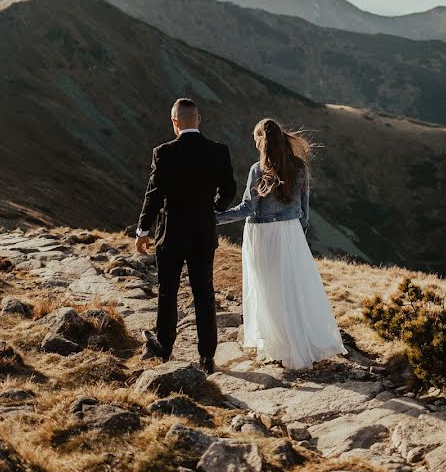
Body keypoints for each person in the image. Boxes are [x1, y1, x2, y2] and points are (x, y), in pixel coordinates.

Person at [216, 118, 346, 370]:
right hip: (291, 233)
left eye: (256, 138)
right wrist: (296, 235)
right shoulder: (300, 168)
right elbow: (305, 211)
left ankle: (276, 344)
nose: (254, 142)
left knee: (268, 290)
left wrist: (214, 219)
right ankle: (297, 343)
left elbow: (247, 208)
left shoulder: (258, 169)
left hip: (262, 234)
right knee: (291, 290)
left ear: (262, 141)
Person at [135, 98, 236, 374]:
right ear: (198, 120)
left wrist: (143, 229)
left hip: (171, 234)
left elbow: (153, 195)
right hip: (203, 233)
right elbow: (229, 189)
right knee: (204, 292)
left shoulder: (164, 152)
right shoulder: (218, 151)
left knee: (168, 291)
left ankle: (164, 346)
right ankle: (207, 357)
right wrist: (214, 206)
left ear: (175, 122)